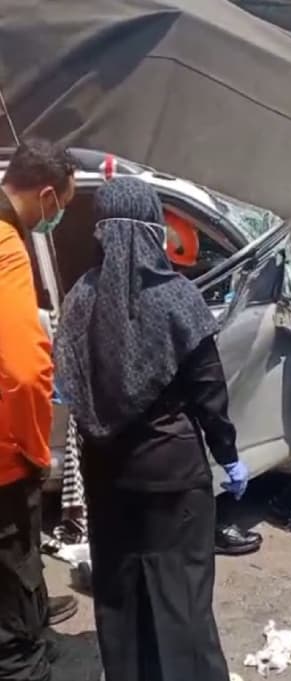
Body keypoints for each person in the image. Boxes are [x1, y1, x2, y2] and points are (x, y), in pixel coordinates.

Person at [53, 177, 249, 681]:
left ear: (103, 233)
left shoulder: (80, 300)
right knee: (180, 594)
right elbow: (210, 393)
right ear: (152, 231)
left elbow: (68, 386)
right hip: (173, 477)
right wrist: (228, 455)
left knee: (120, 593)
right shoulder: (178, 299)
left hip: (106, 475)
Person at [0, 139, 77, 680]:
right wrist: (34, 446)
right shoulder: (7, 246)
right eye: (63, 208)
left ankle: (32, 610)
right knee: (12, 561)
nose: (59, 218)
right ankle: (22, 657)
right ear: (47, 195)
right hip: (3, 452)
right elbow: (25, 371)